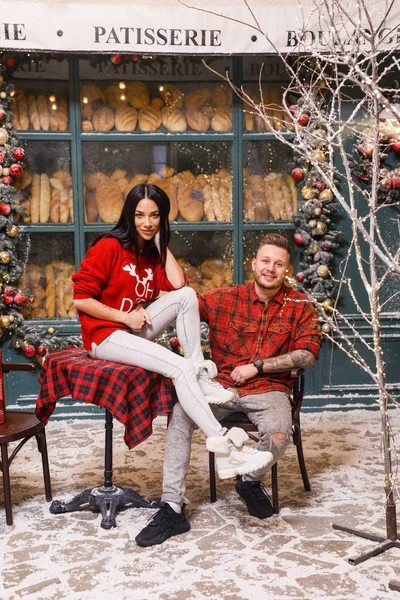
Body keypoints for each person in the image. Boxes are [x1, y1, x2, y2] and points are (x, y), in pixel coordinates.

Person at [71, 183, 273, 494]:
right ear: (129, 214)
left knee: (187, 296)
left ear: (162, 218)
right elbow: (81, 299)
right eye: (139, 215)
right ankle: (225, 445)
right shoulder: (108, 247)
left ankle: (200, 374)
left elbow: (179, 283)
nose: (146, 222)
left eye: (154, 216)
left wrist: (159, 242)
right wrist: (126, 317)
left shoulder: (150, 249)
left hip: (132, 328)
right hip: (105, 337)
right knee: (178, 368)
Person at [135, 232, 321, 547]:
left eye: (278, 264)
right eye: (265, 261)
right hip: (221, 386)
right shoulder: (226, 298)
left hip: (269, 390)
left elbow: (308, 354)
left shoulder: (299, 305)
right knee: (181, 412)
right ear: (254, 264)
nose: (270, 269)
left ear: (286, 269)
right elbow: (184, 302)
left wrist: (258, 366)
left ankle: (249, 482)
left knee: (278, 432)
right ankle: (171, 508)